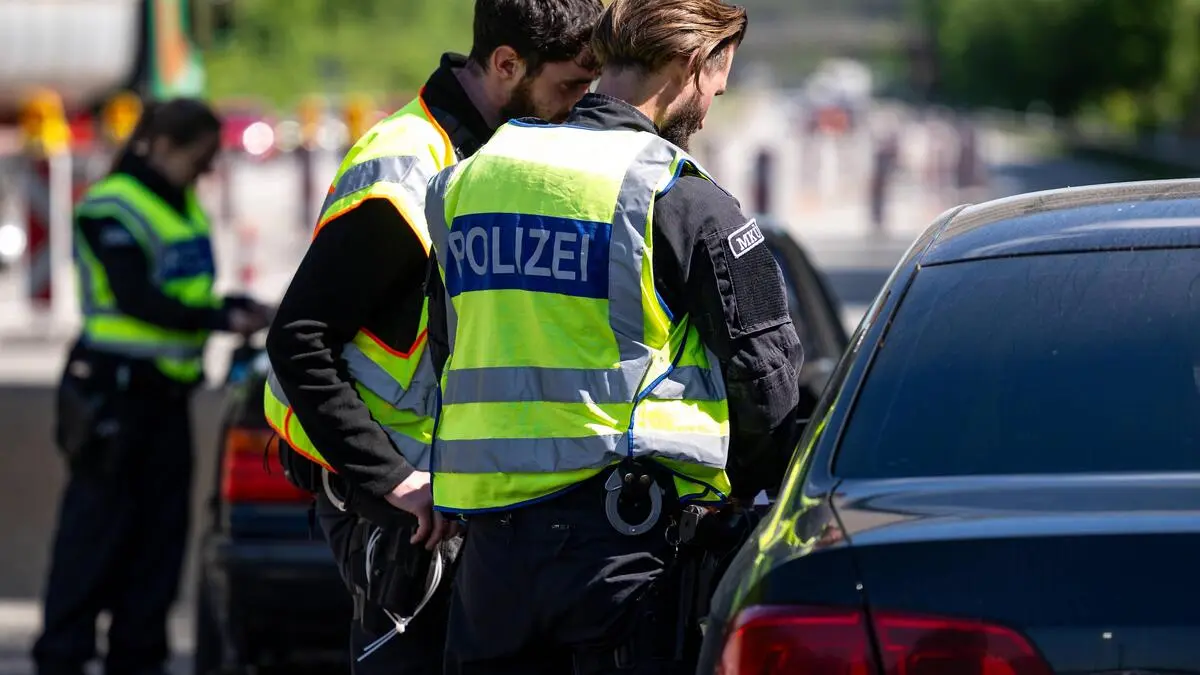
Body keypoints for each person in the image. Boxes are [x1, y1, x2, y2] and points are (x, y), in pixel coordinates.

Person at [422, 0, 805, 672]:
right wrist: (750, 485)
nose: (714, 101)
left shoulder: (470, 179)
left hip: (491, 566)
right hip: (627, 557)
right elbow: (764, 375)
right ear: (693, 63)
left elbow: (446, 347)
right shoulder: (677, 193)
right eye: (720, 80)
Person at [262, 1, 603, 672]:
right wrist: (393, 479)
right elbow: (299, 339)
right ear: (506, 64)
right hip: (399, 509)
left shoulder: (494, 157)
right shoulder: (405, 175)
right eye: (568, 87)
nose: (577, 107)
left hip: (459, 504)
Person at [34, 98, 273, 675]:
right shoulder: (110, 207)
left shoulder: (181, 203)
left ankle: (138, 660)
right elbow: (137, 297)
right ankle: (62, 658)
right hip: (112, 399)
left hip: (165, 401)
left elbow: (185, 291)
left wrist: (233, 307)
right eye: (201, 156)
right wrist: (219, 319)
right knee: (94, 543)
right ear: (162, 145)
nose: (207, 169)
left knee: (157, 548)